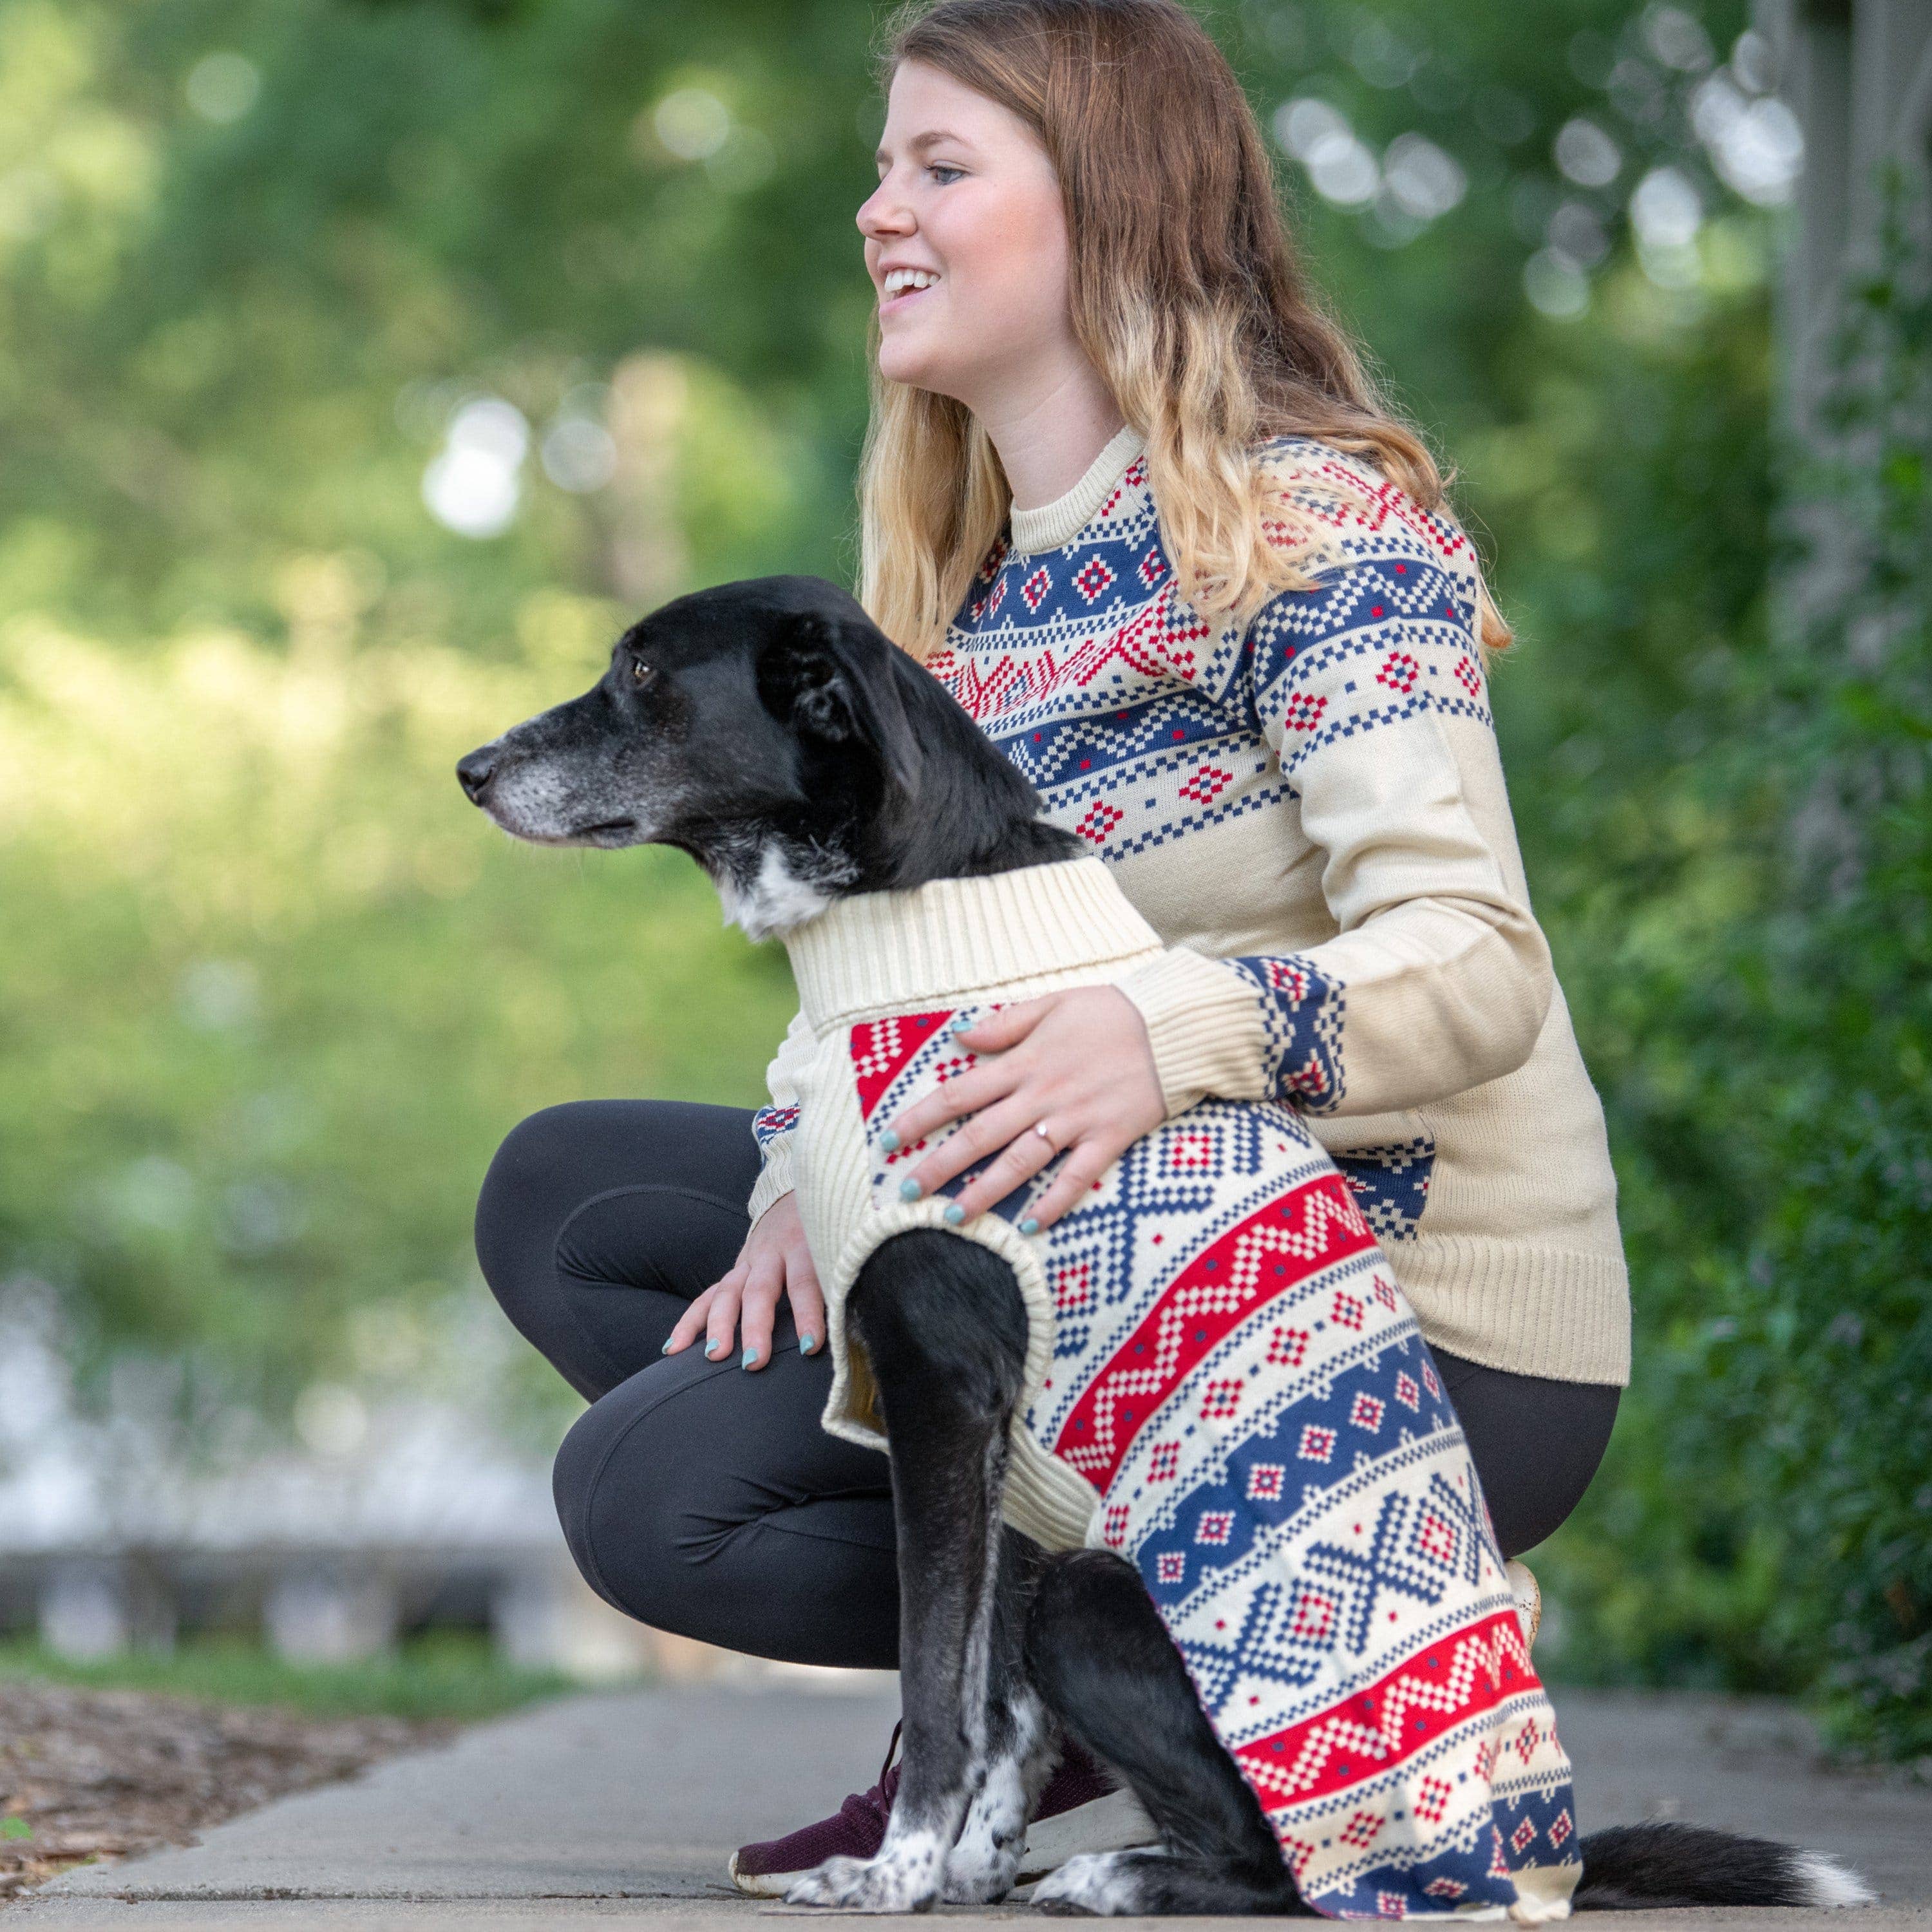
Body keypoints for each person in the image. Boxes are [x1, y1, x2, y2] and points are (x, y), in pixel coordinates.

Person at [473, 0, 1628, 1899]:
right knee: (571, 1198)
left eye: (940, 167)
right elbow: (901, 1003)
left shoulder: (1317, 529)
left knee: (658, 1499)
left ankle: (1102, 1715)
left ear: (1108, 206)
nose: (877, 212)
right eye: (880, 167)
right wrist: (806, 1179)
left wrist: (1161, 1033)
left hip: (1407, 1328)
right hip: (1090, 1268)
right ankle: (1026, 1718)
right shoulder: (970, 604)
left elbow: (1476, 960)